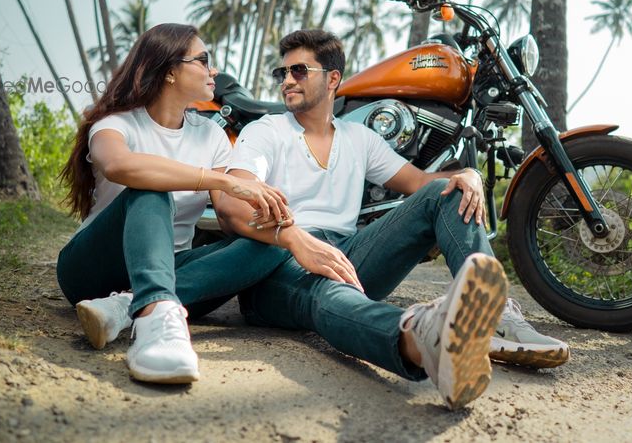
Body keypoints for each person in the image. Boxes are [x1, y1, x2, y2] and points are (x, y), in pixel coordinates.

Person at [214, 29, 569, 409]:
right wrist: (295, 238)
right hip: (279, 260)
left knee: (444, 193)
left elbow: (419, 183)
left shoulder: (359, 138)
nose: (287, 81)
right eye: (281, 73)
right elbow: (233, 202)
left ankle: (495, 315)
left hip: (346, 254)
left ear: (333, 79)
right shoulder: (266, 130)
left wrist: (467, 176)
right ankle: (423, 340)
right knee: (327, 293)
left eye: (299, 71)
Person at [57, 23, 294, 384]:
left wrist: (270, 216)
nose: (213, 70)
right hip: (92, 268)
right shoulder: (115, 124)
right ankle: (154, 322)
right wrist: (222, 178)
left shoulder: (211, 134)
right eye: (203, 60)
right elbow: (120, 166)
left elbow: (230, 212)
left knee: (274, 244)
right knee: (151, 188)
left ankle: (127, 306)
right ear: (169, 70)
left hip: (172, 271)